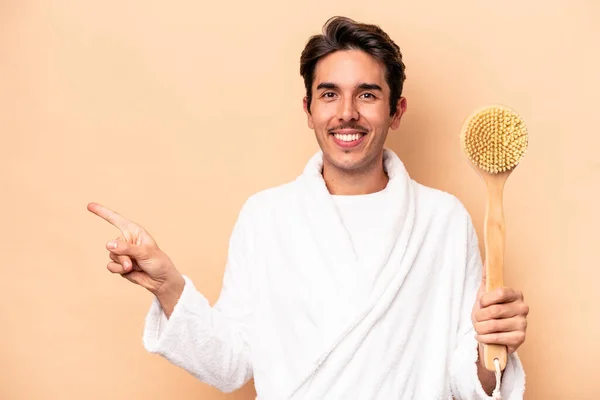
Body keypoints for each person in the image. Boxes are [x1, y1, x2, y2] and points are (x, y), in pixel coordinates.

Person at [88, 16, 528, 399]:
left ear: (396, 111)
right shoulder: (265, 217)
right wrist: (169, 287)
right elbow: (230, 365)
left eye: (368, 95)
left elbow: (469, 381)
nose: (347, 113)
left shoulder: (443, 221)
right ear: (309, 108)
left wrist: (492, 343)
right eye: (330, 94)